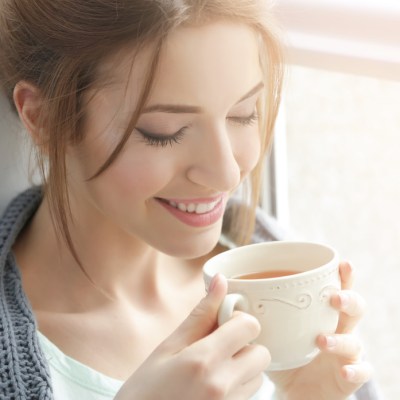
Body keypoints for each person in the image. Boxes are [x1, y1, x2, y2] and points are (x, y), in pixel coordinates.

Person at [0, 0, 374, 399]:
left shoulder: (271, 265)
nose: (227, 173)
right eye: (166, 131)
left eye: (243, 114)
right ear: (42, 117)